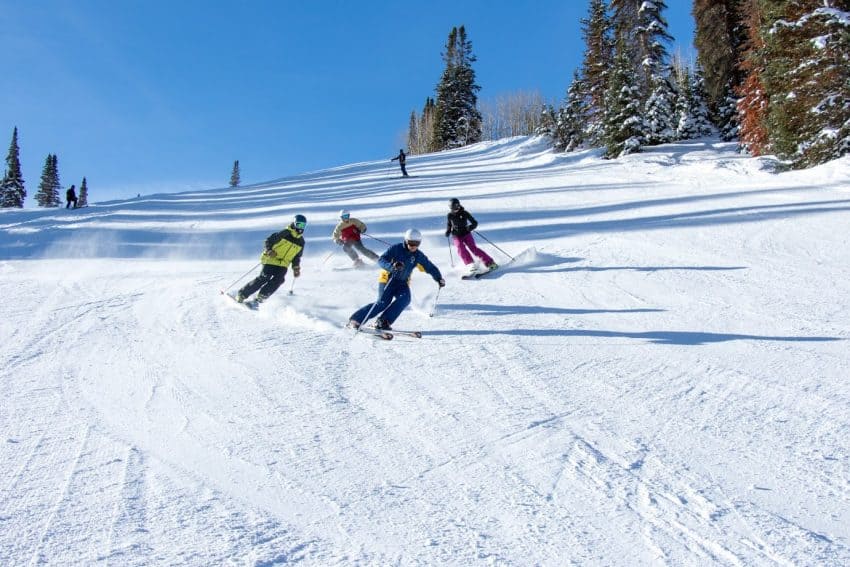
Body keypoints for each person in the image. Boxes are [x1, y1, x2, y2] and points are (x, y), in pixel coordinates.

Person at [348, 228, 444, 330]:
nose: (413, 246)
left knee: (405, 299)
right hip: (388, 279)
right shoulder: (396, 249)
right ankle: (356, 320)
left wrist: (438, 278)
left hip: (402, 282)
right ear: (406, 241)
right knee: (382, 303)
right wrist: (392, 266)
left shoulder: (418, 255)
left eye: (416, 244)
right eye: (411, 243)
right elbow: (381, 260)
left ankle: (383, 321)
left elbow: (429, 267)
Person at [236, 214, 306, 304]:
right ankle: (242, 294)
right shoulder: (285, 233)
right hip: (271, 259)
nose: (301, 228)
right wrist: (269, 251)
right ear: (294, 223)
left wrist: (296, 268)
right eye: (299, 224)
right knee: (264, 278)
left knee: (279, 280)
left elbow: (296, 256)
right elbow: (268, 241)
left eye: (303, 225)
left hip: (283, 264)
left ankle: (261, 297)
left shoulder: (301, 242)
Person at [445, 198, 497, 274]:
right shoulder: (449, 215)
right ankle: (470, 265)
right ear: (451, 208)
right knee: (460, 248)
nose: (456, 208)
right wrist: (448, 231)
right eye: (454, 207)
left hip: (466, 233)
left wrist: (471, 227)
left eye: (457, 206)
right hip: (456, 235)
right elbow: (449, 224)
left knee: (474, 249)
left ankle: (490, 263)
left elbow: (475, 222)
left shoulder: (464, 213)